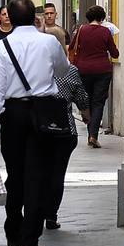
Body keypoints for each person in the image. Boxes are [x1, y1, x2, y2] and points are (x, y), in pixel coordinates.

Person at [0, 0, 73, 246]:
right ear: (35, 17)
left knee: (16, 173)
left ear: (7, 17)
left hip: (13, 114)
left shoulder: (3, 46)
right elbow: (64, 69)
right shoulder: (48, 42)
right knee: (38, 175)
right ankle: (29, 240)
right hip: (44, 113)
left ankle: (13, 230)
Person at [44, 62, 89, 231]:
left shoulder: (33, 65)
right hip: (64, 129)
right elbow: (82, 97)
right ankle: (51, 215)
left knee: (38, 172)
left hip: (38, 128)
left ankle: (36, 212)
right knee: (57, 173)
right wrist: (86, 114)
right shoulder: (70, 70)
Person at [69, 5, 120, 147]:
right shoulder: (105, 32)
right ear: (102, 18)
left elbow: (72, 46)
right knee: (98, 103)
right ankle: (93, 135)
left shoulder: (80, 30)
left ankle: (90, 132)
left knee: (87, 102)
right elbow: (115, 53)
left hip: (83, 70)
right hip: (102, 71)